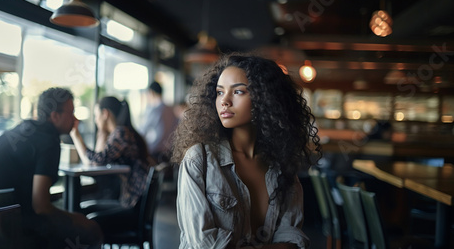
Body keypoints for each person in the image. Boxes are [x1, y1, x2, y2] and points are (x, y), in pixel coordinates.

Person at [171, 53, 321, 249]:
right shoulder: (199, 160)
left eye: (238, 92)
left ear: (265, 98)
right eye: (219, 92)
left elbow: (291, 239)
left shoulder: (282, 166)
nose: (224, 101)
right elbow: (205, 244)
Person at [0, 87, 103, 249]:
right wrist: (75, 218)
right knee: (91, 230)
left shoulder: (23, 130)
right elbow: (41, 206)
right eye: (71, 113)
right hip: (16, 227)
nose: (75, 118)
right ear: (55, 116)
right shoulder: (49, 141)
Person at [70, 96, 154, 208]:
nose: (95, 120)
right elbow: (94, 162)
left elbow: (98, 159)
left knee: (87, 209)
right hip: (133, 199)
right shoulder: (121, 132)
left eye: (96, 115)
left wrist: (76, 135)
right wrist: (101, 133)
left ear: (105, 114)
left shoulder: (121, 132)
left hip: (132, 201)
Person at [139, 81, 178, 163]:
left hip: (156, 153)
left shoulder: (154, 110)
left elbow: (142, 131)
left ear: (151, 93)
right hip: (170, 152)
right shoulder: (170, 109)